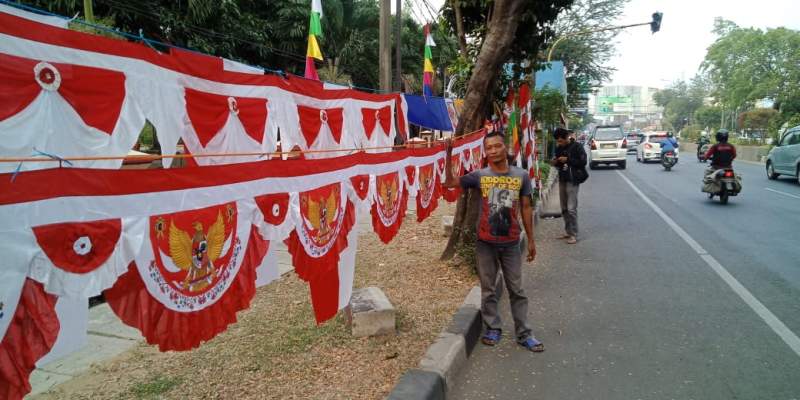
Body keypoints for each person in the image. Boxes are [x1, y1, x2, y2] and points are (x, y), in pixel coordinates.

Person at [443, 132, 543, 352]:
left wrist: (531, 240)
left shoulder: (521, 176)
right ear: (485, 152)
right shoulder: (480, 175)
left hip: (511, 243)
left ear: (504, 147)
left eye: (497, 146)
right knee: (488, 290)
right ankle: (493, 328)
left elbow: (526, 208)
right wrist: (449, 152)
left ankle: (524, 333)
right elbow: (450, 183)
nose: (493, 151)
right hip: (485, 243)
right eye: (489, 148)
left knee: (517, 289)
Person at [551, 128, 587, 244]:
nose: (559, 143)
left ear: (567, 137)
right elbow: (558, 163)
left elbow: (583, 162)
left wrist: (568, 159)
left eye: (561, 141)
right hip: (562, 178)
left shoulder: (577, 147)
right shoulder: (559, 148)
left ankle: (574, 234)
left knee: (571, 208)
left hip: (573, 179)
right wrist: (555, 161)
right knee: (564, 208)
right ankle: (568, 231)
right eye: (558, 141)